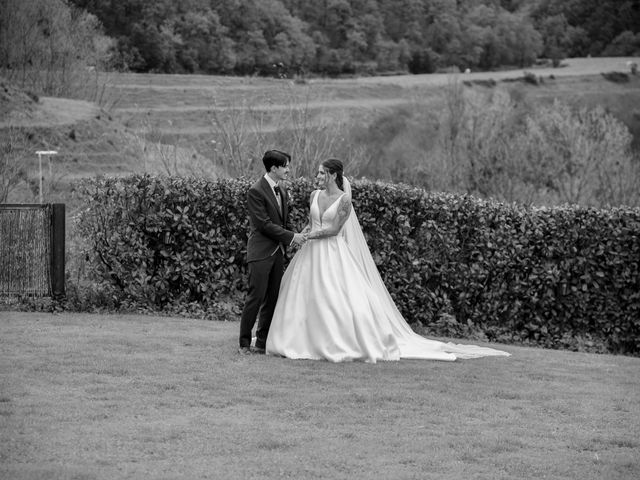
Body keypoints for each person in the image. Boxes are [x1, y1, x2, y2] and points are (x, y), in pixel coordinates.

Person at [266, 159, 510, 362]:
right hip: (310, 252)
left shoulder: (344, 200)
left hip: (331, 251)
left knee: (336, 296)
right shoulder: (314, 195)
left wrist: (310, 236)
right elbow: (312, 221)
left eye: (321, 173)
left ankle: (336, 342)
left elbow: (334, 229)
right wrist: (303, 234)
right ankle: (299, 339)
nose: (317, 176)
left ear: (333, 175)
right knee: (302, 294)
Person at [238, 150, 306, 355]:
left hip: (278, 252)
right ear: (274, 168)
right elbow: (264, 224)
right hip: (260, 252)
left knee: (272, 298)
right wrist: (292, 236)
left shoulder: (282, 190)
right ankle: (243, 343)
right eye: (285, 166)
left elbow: (283, 222)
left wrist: (297, 234)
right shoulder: (256, 190)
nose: (288, 169)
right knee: (255, 297)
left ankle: (261, 342)